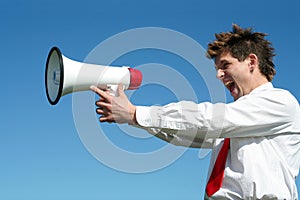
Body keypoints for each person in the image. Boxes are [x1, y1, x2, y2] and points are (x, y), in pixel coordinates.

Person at [90, 24, 300, 199]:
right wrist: (133, 118)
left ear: (251, 62)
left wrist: (137, 113)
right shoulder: (238, 121)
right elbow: (188, 134)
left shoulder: (280, 102)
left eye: (225, 65)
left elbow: (209, 118)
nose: (219, 75)